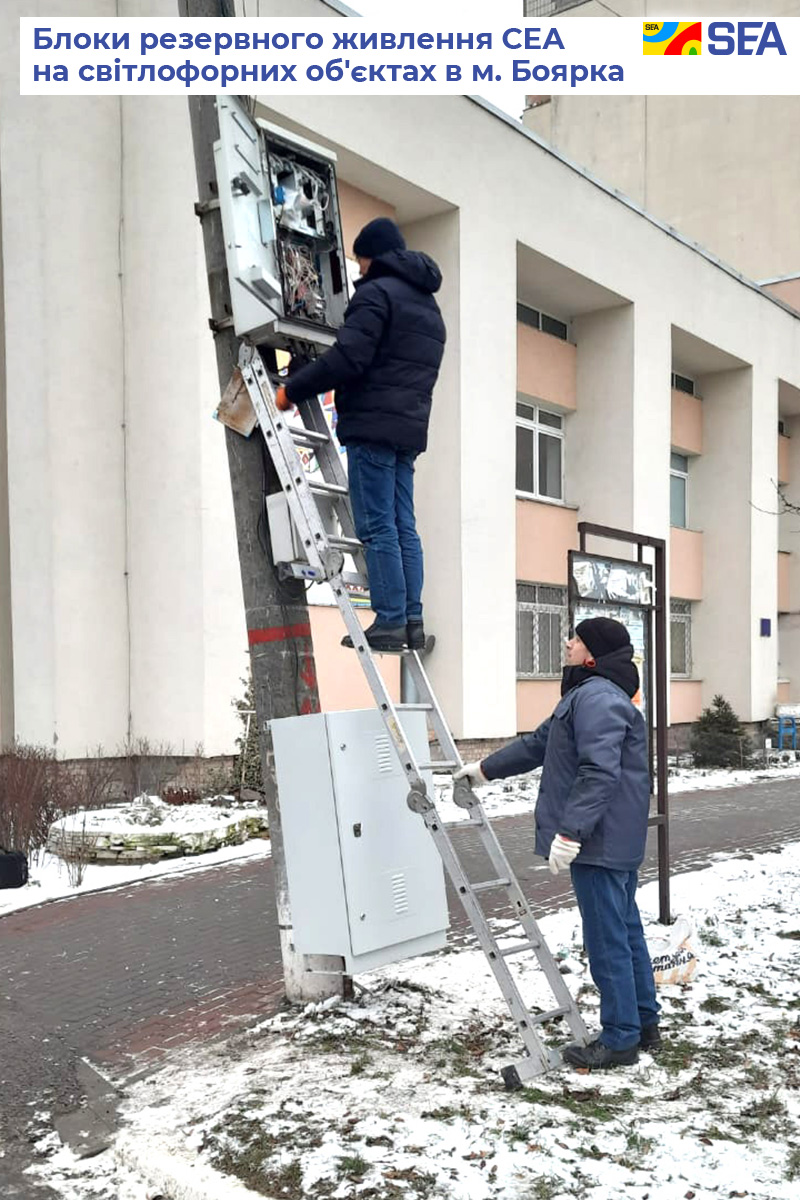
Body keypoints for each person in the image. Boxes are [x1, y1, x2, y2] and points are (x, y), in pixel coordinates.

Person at [455, 616, 660, 1070]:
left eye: (576, 638)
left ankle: (621, 1039)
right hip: (612, 839)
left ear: (592, 654)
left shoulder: (596, 699)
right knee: (625, 932)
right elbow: (538, 745)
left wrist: (571, 832)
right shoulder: (590, 696)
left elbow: (598, 771)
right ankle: (644, 1023)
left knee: (608, 939)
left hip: (599, 841)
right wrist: (485, 770)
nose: (567, 643)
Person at [276, 217, 446, 653]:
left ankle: (388, 620)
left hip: (372, 425)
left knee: (376, 526)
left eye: (359, 261)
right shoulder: (428, 305)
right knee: (403, 525)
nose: (358, 270)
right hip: (408, 429)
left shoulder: (376, 294)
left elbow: (350, 359)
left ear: (371, 256)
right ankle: (410, 618)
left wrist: (293, 390)